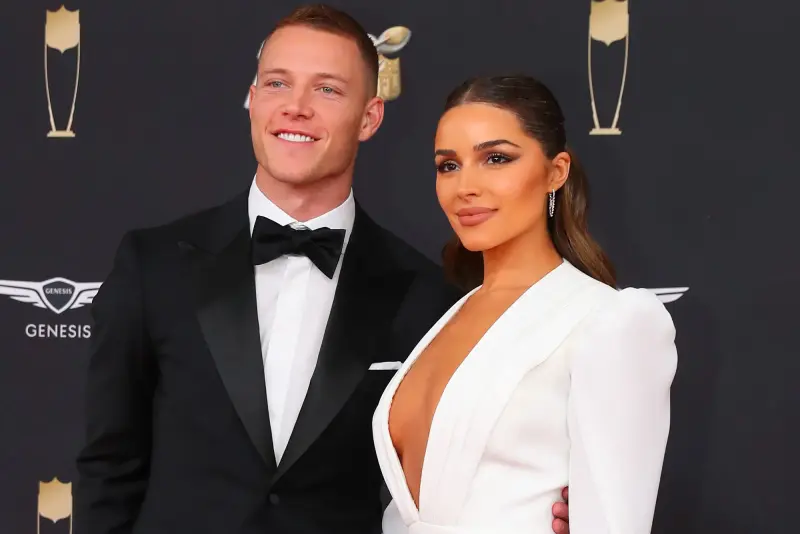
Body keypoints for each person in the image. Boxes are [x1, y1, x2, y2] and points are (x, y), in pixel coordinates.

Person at [72, 5, 572, 534]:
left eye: (327, 90)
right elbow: (109, 467)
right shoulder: (154, 265)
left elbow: (452, 479)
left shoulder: (428, 298)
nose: (296, 107)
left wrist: (553, 510)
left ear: (369, 118)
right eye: (277, 83)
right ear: (252, 99)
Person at [373, 75, 678, 533]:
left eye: (496, 158)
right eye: (448, 165)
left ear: (556, 171)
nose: (465, 186)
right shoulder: (449, 313)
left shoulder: (609, 321)